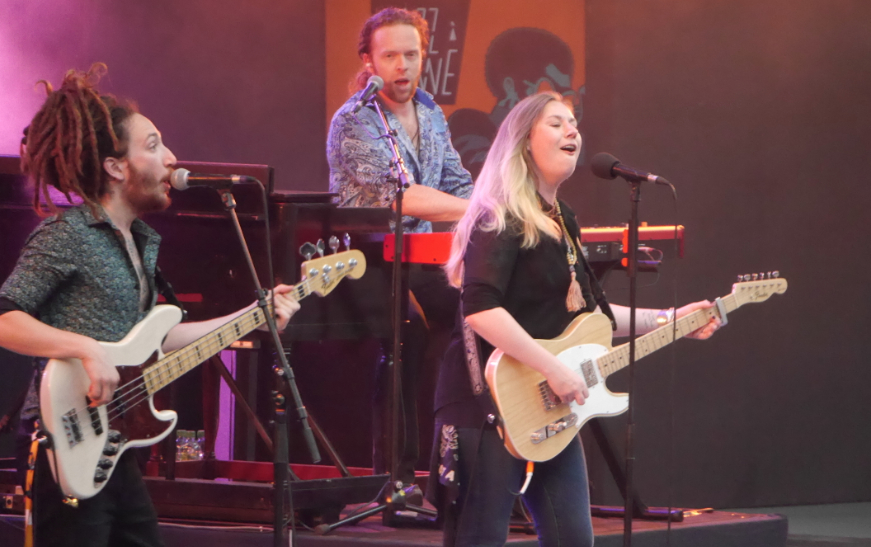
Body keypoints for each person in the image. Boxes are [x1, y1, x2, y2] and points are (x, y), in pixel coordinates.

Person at [0, 64, 300, 547]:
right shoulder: (66, 235)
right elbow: (4, 318)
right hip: (61, 440)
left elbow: (155, 338)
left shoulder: (139, 241)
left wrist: (255, 316)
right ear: (116, 167)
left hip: (112, 443)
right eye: (154, 145)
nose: (172, 159)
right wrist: (84, 349)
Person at [430, 91, 721, 547]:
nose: (573, 131)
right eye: (557, 123)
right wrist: (554, 368)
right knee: (479, 538)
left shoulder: (562, 218)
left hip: (549, 402)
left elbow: (593, 317)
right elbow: (481, 309)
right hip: (485, 403)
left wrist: (671, 318)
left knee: (573, 540)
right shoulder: (498, 213)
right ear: (525, 141)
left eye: (574, 123)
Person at [326, 7, 473, 490]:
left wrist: (489, 207)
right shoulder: (354, 121)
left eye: (411, 54)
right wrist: (481, 210)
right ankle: (396, 478)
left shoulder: (430, 112)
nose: (403, 65)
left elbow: (456, 181)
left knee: (477, 317)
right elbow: (401, 195)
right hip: (361, 259)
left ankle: (458, 467)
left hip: (420, 258)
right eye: (391, 56)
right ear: (369, 61)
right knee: (405, 332)